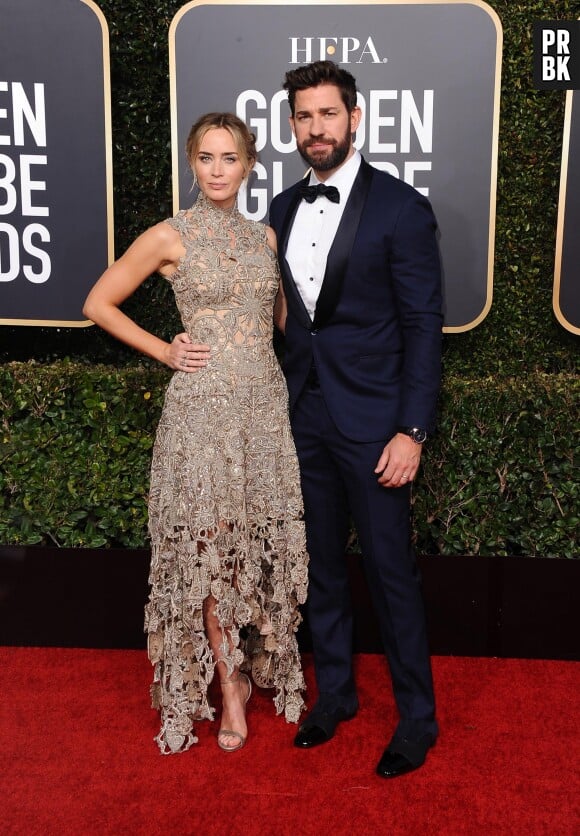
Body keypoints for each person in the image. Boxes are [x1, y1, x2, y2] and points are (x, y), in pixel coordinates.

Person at [83, 112, 308, 755]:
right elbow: (99, 302)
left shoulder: (264, 239)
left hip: (263, 411)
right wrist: (164, 351)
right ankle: (229, 687)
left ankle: (259, 660)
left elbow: (285, 323)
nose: (216, 170)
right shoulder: (168, 236)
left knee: (254, 545)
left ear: (249, 165)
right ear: (192, 163)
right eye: (205, 158)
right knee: (211, 552)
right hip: (202, 414)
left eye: (228, 158)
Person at [269, 61, 443, 779]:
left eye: (328, 115)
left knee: (390, 573)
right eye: (305, 117)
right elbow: (285, 321)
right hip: (303, 416)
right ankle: (335, 694)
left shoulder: (402, 208)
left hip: (376, 426)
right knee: (322, 571)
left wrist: (413, 429)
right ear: (293, 125)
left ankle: (417, 720)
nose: (317, 128)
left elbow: (424, 325)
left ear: (355, 118)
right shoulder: (279, 210)